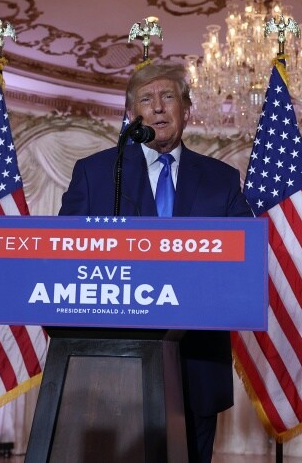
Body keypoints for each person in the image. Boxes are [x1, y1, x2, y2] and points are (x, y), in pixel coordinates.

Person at [59, 60, 253, 463]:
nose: (159, 107)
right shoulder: (97, 173)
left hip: (196, 365)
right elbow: (66, 255)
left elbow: (244, 260)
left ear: (187, 109)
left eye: (168, 96)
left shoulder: (220, 179)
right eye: (146, 99)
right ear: (133, 115)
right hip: (113, 367)